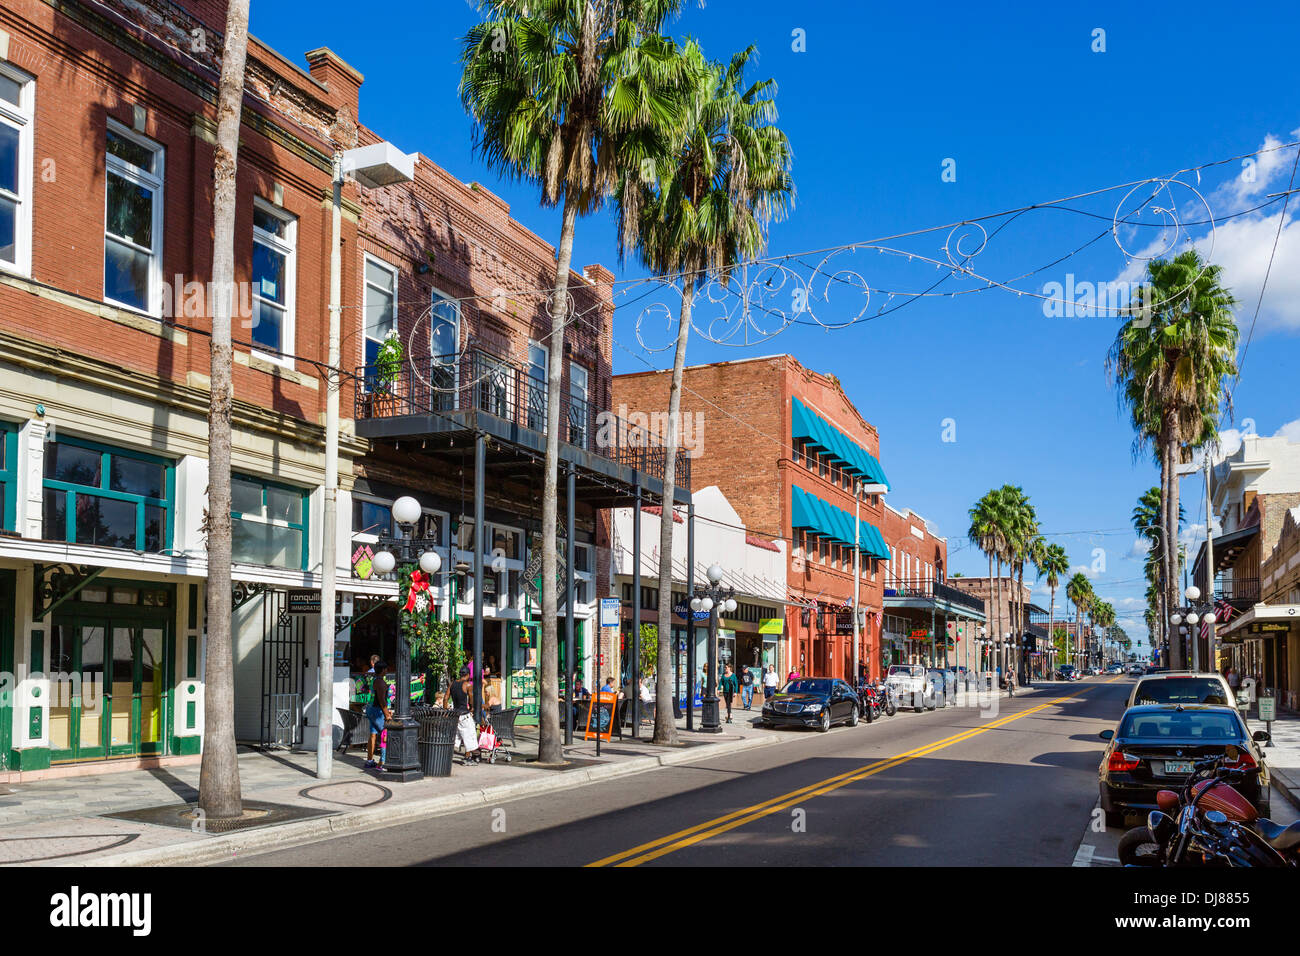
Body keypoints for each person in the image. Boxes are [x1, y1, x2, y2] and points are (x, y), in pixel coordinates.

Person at [448, 666, 480, 762]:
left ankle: (450, 756)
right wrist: (472, 708)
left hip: (455, 715)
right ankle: (469, 758)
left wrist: (446, 712)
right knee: (470, 736)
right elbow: (471, 699)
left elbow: (445, 698)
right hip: (464, 715)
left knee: (457, 737)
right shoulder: (467, 685)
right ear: (468, 675)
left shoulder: (452, 684)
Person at [363, 660, 391, 770]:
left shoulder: (374, 680)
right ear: (383, 670)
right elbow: (382, 700)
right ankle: (382, 762)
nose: (387, 671)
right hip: (378, 712)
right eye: (386, 669)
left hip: (371, 709)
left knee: (373, 734)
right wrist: (387, 714)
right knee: (385, 734)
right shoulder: (381, 683)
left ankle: (370, 760)